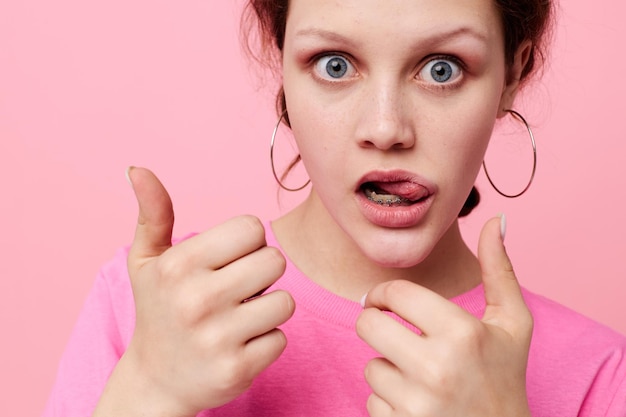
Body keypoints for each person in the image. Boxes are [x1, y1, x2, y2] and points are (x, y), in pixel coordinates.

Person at [43, 0, 626, 416]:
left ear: (512, 74)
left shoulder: (599, 375)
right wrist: (146, 392)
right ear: (282, 63)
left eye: (441, 69)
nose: (385, 129)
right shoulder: (147, 304)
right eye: (335, 65)